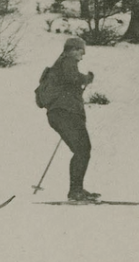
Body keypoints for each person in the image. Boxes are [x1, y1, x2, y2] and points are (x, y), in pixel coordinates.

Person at [44, 37, 98, 202]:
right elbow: (71, 78)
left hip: (60, 114)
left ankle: (77, 190)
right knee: (83, 149)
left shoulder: (60, 63)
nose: (82, 57)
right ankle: (75, 192)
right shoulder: (67, 61)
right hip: (65, 113)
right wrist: (86, 79)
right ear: (73, 50)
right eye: (81, 52)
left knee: (82, 149)